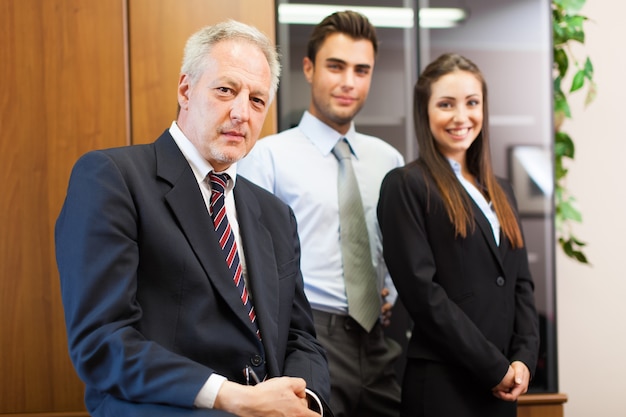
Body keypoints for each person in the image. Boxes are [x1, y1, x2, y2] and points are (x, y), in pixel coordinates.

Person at [55, 20, 331, 417]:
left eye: (257, 100)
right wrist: (234, 397)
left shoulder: (275, 214)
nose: (241, 113)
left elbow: (300, 338)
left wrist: (305, 402)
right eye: (225, 90)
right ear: (186, 90)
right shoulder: (113, 178)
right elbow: (102, 341)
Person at [238, 10, 404, 417]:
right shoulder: (268, 157)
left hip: (378, 339)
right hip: (308, 339)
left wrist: (392, 292)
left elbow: (400, 245)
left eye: (362, 70)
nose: (349, 81)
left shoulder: (389, 160)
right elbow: (245, 260)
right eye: (336, 66)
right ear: (309, 69)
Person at [376, 53, 540, 417]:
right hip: (444, 385)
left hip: (502, 387)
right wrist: (493, 368)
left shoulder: (502, 190)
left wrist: (523, 359)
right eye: (446, 104)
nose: (461, 117)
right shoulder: (407, 185)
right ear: (425, 111)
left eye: (472, 103)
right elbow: (423, 296)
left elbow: (521, 285)